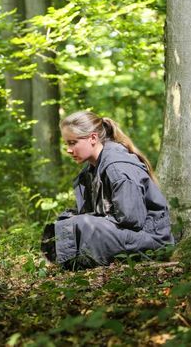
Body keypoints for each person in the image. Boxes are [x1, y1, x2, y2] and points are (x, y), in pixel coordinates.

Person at [41, 110, 174, 270]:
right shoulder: (91, 169)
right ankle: (60, 265)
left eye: (72, 143)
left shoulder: (117, 166)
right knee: (64, 223)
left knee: (82, 225)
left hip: (151, 240)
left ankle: (70, 266)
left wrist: (88, 221)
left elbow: (133, 220)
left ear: (93, 138)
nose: (68, 150)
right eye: (66, 144)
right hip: (128, 236)